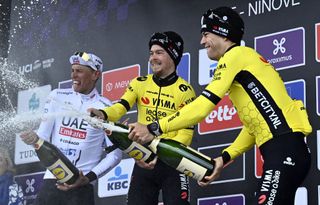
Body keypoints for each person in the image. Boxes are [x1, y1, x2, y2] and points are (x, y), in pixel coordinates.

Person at [127, 7, 312, 205]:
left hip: (283, 149)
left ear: (223, 33)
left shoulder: (235, 56)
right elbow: (255, 126)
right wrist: (224, 158)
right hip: (286, 150)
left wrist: (153, 128)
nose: (202, 41)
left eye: (206, 34)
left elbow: (201, 107)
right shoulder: (243, 60)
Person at [88, 31, 196, 205]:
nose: (153, 57)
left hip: (173, 162)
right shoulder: (140, 82)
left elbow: (186, 134)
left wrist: (161, 153)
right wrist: (103, 113)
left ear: (173, 55)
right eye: (151, 53)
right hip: (143, 160)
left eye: (159, 52)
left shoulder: (185, 90)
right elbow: (120, 107)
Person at [20, 52, 122, 205]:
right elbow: (42, 136)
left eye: (79, 71)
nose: (74, 75)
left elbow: (115, 155)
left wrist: (88, 178)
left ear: (95, 74)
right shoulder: (57, 96)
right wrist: (33, 139)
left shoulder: (106, 108)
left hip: (81, 187)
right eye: (72, 70)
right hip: (51, 182)